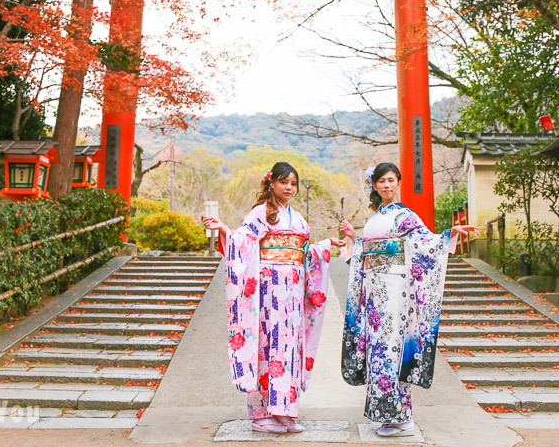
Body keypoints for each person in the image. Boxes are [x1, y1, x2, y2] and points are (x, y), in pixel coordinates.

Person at [202, 162, 345, 434]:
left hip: (292, 292)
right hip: (267, 289)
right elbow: (241, 242)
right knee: (266, 345)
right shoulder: (260, 214)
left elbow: (302, 251)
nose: (289, 188)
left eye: (293, 184)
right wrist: (224, 229)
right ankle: (261, 413)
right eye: (283, 183)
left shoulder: (299, 218)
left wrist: (325, 246)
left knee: (290, 346)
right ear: (271, 184)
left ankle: (285, 410)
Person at [337, 162, 478, 438]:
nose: (387, 185)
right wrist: (354, 239)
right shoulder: (375, 218)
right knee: (377, 350)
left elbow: (426, 243)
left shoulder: (404, 216)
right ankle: (388, 416)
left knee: (392, 349)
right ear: (374, 186)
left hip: (395, 291)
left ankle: (402, 417)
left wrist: (448, 235)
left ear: (398, 182)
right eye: (381, 181)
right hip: (374, 293)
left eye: (391, 180)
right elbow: (366, 253)